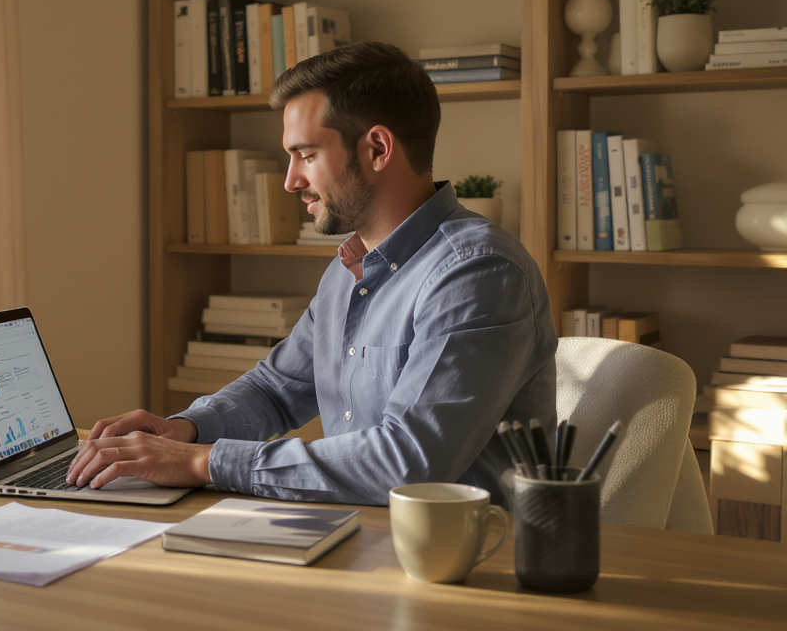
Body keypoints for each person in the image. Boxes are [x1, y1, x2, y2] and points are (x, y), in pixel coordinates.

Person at [66, 41, 556, 507]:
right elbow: (276, 390)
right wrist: (186, 429)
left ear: (378, 149)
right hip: (357, 537)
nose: (290, 180)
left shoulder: (477, 272)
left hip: (465, 567)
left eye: (307, 155)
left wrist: (203, 462)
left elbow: (408, 463)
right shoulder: (350, 268)